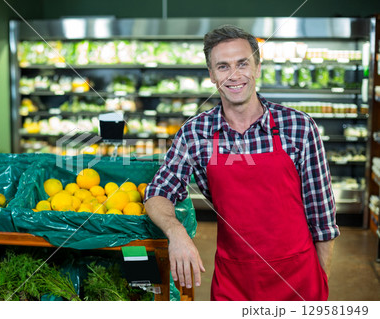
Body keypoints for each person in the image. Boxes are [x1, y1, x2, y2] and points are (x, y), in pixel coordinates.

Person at [143, 24, 339, 301]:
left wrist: (319, 281)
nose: (234, 75)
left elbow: (323, 220)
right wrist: (177, 233)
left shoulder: (298, 127)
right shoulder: (195, 133)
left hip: (298, 278)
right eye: (223, 66)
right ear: (211, 75)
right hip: (234, 280)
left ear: (257, 68)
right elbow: (157, 192)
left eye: (242, 64)